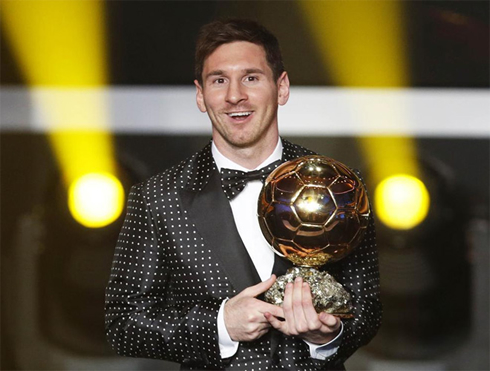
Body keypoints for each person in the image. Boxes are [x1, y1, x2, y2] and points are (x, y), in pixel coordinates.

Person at [105, 18, 381, 370]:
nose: (235, 95)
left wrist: (328, 336)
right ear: (200, 95)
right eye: (219, 80)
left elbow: (368, 307)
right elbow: (123, 324)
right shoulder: (158, 197)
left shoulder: (342, 186)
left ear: (281, 88)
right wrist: (220, 325)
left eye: (251, 77)